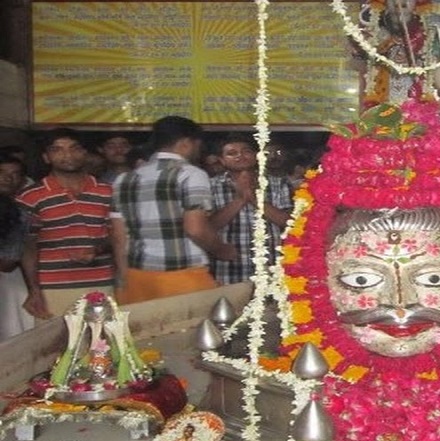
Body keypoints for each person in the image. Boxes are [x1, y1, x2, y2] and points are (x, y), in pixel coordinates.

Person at [110, 116, 237, 304]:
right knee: (192, 331)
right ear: (186, 143)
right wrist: (222, 250)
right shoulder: (191, 174)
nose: (198, 150)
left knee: (148, 332)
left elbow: (118, 236)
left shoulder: (124, 179)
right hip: (182, 276)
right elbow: (195, 229)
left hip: (137, 277)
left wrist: (123, 280)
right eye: (197, 145)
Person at [16, 129, 116, 320]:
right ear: (46, 157)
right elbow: (27, 247)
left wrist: (98, 250)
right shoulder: (29, 197)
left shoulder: (107, 191)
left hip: (102, 283)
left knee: (102, 346)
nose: (67, 155)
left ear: (85, 153)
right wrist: (34, 290)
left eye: (74, 148)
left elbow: (119, 236)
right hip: (52, 289)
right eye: (58, 150)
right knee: (55, 347)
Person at [208, 134, 293, 284]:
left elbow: (289, 223)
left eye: (246, 151)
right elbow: (209, 226)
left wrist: (254, 198)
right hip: (228, 269)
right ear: (221, 160)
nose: (240, 156)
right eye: (232, 153)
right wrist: (240, 199)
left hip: (271, 267)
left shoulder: (279, 183)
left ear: (256, 155)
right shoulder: (211, 186)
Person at [0, 154, 34, 341]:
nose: (7, 177)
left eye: (15, 174)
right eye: (2, 172)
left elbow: (8, 263)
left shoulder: (21, 211)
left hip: (10, 280)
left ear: (22, 181)